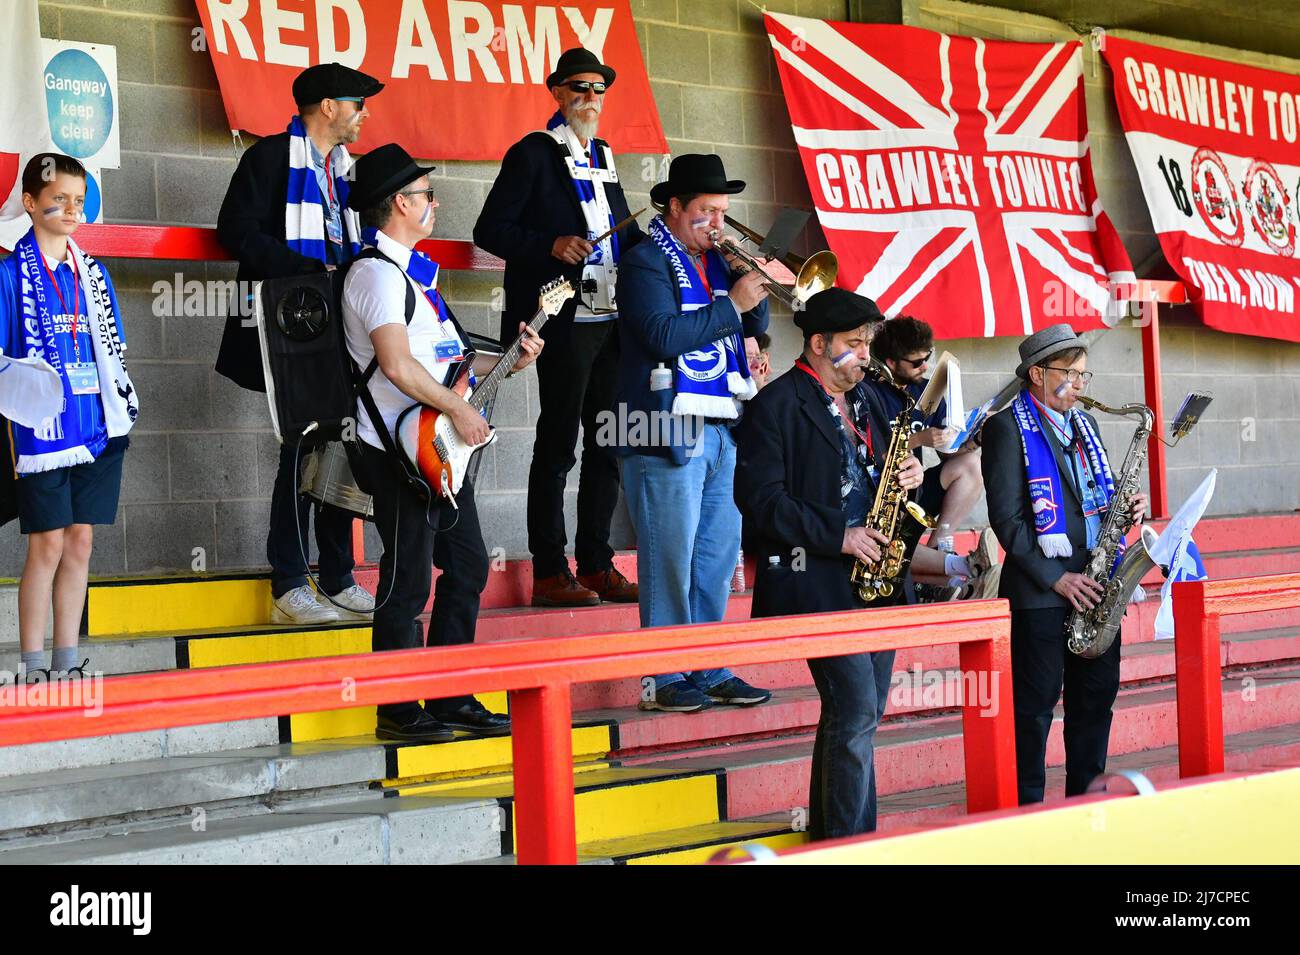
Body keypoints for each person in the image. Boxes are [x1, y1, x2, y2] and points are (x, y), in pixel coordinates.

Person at [735, 288, 995, 839]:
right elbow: (759, 503)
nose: (865, 355)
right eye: (854, 345)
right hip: (815, 581)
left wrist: (910, 480)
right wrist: (841, 535)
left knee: (859, 715)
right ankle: (852, 845)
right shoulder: (776, 405)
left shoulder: (872, 400)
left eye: (868, 344)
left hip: (876, 581)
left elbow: (889, 472)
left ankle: (833, 837)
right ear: (818, 343)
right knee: (855, 713)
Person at [341, 144, 543, 741]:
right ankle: (397, 707)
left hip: (434, 450)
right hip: (397, 449)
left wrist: (511, 362)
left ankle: (449, 693)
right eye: (427, 194)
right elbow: (399, 367)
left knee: (468, 564)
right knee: (407, 578)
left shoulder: (411, 275)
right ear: (400, 203)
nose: (435, 202)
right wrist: (459, 407)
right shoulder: (376, 274)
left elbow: (446, 360)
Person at [215, 62, 383, 625]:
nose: (365, 114)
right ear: (329, 107)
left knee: (343, 444)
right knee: (299, 447)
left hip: (342, 327)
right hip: (292, 325)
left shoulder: (345, 173)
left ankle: (337, 576)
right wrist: (309, 270)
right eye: (358, 103)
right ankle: (289, 580)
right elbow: (234, 230)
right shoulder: (267, 158)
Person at [474, 47, 642, 608]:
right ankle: (549, 569)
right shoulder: (534, 152)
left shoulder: (605, 155)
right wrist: (548, 244)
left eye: (598, 89)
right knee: (558, 442)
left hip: (613, 318)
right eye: (579, 88)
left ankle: (595, 563)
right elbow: (489, 228)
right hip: (566, 318)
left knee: (609, 443)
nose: (589, 98)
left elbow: (620, 235)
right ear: (556, 92)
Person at [615, 153, 773, 713]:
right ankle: (663, 675)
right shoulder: (644, 263)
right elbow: (660, 334)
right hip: (664, 427)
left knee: (712, 558)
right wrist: (732, 303)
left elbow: (750, 326)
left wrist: (750, 307)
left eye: (723, 213)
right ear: (675, 207)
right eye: (706, 211)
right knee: (669, 557)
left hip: (722, 427)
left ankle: (707, 662)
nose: (717, 224)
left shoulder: (713, 263)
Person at [980, 323, 1147, 804]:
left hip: (1097, 590)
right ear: (1036, 373)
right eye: (1068, 373)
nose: (1078, 383)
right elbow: (1007, 521)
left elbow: (1101, 493)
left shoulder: (1087, 426)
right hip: (1041, 595)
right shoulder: (1006, 428)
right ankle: (1026, 812)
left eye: (1083, 374)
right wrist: (1057, 579)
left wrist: (1127, 506)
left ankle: (1086, 806)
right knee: (1032, 712)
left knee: (1095, 704)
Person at [0, 153, 138, 680]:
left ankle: (66, 661)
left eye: (79, 201)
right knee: (48, 541)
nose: (71, 209)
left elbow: (113, 348)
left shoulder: (93, 273)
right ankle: (31, 664)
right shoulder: (10, 274)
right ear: (31, 203)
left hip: (98, 426)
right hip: (43, 431)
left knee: (81, 539)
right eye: (59, 199)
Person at [863, 316, 984, 557]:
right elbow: (869, 451)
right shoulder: (868, 391)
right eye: (917, 362)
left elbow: (950, 458)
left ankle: (940, 547)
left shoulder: (928, 390)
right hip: (875, 499)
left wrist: (976, 440)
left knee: (971, 465)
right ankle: (942, 569)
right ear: (891, 362)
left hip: (913, 490)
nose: (925, 367)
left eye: (927, 358)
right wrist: (918, 439)